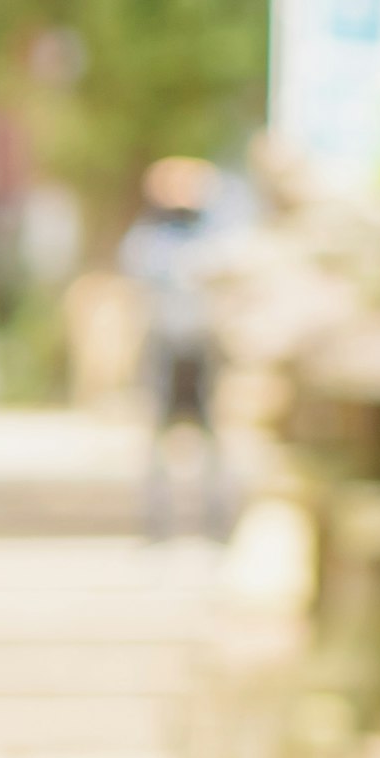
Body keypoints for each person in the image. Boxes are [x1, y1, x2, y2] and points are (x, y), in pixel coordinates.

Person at [121, 152, 232, 540]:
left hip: (204, 344)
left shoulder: (215, 231)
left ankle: (218, 523)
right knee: (157, 439)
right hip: (164, 341)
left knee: (214, 438)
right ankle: (157, 523)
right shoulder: (150, 236)